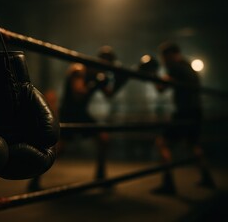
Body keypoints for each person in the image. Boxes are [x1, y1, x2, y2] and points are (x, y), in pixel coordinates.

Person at [27, 45, 128, 192]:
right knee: (57, 150)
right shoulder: (79, 69)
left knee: (104, 138)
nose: (107, 69)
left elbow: (109, 95)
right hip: (69, 114)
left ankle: (100, 176)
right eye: (107, 64)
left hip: (82, 114)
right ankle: (34, 180)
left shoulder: (99, 76)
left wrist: (121, 82)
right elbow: (78, 94)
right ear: (101, 61)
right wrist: (95, 84)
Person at [152, 41, 216, 194]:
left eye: (165, 57)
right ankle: (207, 177)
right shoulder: (188, 67)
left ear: (172, 55)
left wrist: (152, 74)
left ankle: (168, 183)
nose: (164, 61)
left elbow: (161, 88)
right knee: (193, 144)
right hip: (196, 111)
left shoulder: (175, 67)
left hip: (184, 112)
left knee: (163, 142)